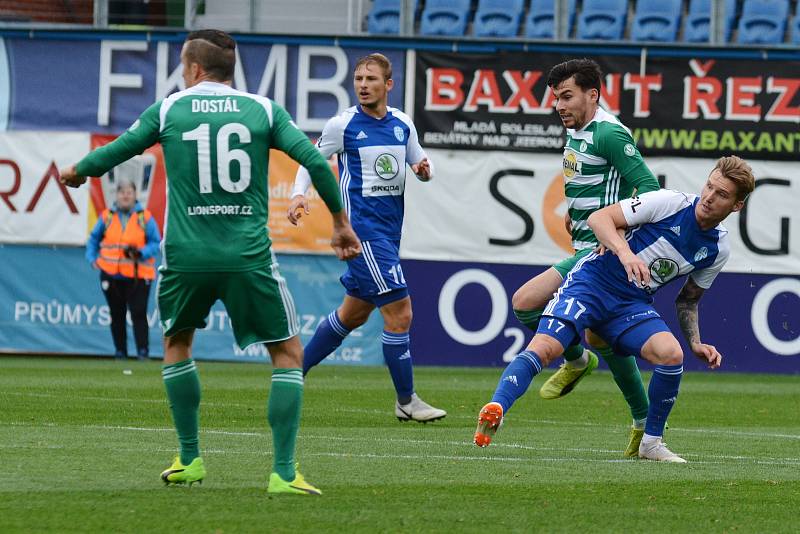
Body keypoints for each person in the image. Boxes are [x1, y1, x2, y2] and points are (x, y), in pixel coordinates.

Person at [59, 29, 361, 495]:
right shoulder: (262, 110)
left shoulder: (170, 109)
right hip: (247, 256)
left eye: (183, 66)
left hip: (185, 257)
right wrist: (340, 224)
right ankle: (283, 473)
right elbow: (318, 164)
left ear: (195, 69)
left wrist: (78, 172)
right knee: (287, 354)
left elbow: (119, 151)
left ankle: (189, 458)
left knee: (178, 344)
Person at [475, 156, 754, 462]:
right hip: (592, 284)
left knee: (672, 354)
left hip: (630, 305)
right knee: (544, 347)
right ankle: (497, 408)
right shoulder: (670, 203)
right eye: (709, 186)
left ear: (737, 206)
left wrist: (696, 342)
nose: (709, 197)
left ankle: (651, 442)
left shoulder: (717, 249)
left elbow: (688, 299)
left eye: (722, 195)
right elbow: (599, 219)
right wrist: (625, 252)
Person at [510, 58, 661, 456]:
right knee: (598, 335)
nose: (559, 105)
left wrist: (618, 233)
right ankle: (637, 416)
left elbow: (648, 188)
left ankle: (579, 363)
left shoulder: (610, 133)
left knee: (526, 304)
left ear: (592, 95)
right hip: (579, 248)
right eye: (556, 98)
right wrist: (574, 221)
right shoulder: (578, 131)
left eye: (567, 96)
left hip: (599, 256)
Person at [287, 53, 446, 423]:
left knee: (352, 314)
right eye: (358, 78)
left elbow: (422, 164)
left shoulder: (402, 123)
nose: (362, 84)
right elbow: (311, 160)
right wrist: (299, 194)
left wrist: (424, 171)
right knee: (400, 313)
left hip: (389, 234)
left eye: (371, 79)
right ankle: (407, 401)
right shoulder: (342, 125)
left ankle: (292, 375)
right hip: (363, 235)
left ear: (388, 84)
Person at [86, 178, 160, 361]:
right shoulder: (107, 216)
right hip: (111, 274)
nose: (125, 196)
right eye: (122, 192)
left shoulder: (145, 217)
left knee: (138, 314)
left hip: (138, 275)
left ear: (135, 195)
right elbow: (93, 239)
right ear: (116, 195)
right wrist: (92, 258)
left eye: (129, 192)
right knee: (116, 314)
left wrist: (141, 252)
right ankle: (120, 352)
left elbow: (156, 242)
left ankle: (143, 352)